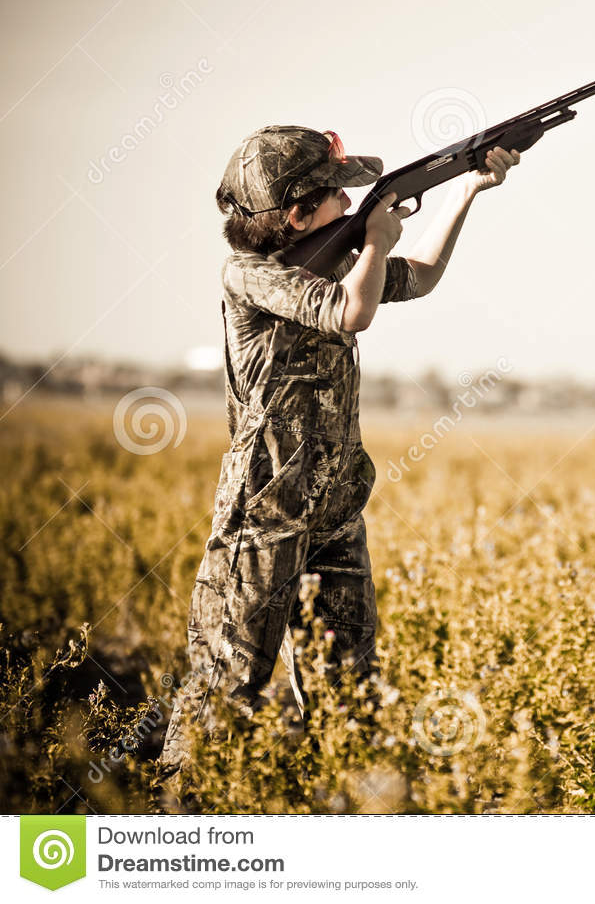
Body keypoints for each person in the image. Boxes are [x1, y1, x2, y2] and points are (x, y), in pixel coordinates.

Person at [158, 124, 519, 776]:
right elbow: (353, 312)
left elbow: (425, 276)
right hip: (263, 521)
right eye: (337, 198)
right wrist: (376, 241)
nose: (350, 208)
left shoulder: (343, 261)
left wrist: (466, 188)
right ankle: (175, 821)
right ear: (298, 213)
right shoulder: (250, 276)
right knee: (222, 689)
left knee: (348, 696)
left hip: (335, 514)